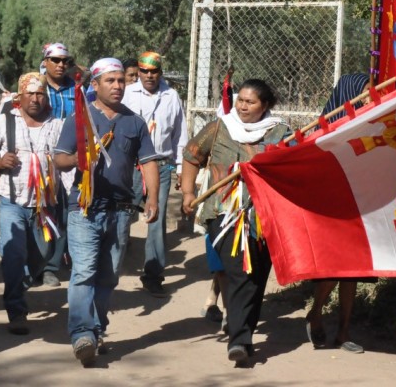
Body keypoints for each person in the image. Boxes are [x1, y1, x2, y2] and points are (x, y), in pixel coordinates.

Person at [54, 57, 160, 366]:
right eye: (110, 81)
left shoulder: (135, 122)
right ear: (96, 85)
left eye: (120, 81)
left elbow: (149, 161)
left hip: (121, 210)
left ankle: (96, 329)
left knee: (109, 276)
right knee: (84, 272)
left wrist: (152, 197)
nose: (117, 86)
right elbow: (59, 159)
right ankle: (81, 333)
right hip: (84, 208)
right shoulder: (79, 118)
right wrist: (80, 160)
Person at [181, 79, 289, 364]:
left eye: (250, 102)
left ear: (264, 106)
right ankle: (239, 339)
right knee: (239, 271)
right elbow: (191, 155)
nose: (242, 106)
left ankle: (245, 331)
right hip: (224, 214)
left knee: (258, 275)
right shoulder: (219, 128)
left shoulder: (281, 132)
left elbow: (292, 167)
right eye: (240, 99)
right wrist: (189, 192)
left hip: (265, 216)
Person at [0, 72, 65, 335]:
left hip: (45, 205)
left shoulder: (57, 124)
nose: (36, 99)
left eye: (41, 94)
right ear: (20, 97)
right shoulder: (5, 122)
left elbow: (69, 156)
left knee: (42, 255)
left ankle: (21, 282)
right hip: (12, 200)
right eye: (31, 94)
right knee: (13, 255)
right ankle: (16, 310)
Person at [305, 73, 370, 354]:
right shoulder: (325, 131)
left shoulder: (374, 121)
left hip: (364, 203)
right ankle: (316, 312)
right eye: (365, 92)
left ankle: (344, 332)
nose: (369, 97)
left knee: (354, 270)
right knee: (334, 267)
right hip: (332, 206)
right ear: (349, 93)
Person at [121, 51, 188, 296]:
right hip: (131, 165)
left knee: (156, 220)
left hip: (160, 165)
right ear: (138, 71)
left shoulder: (171, 96)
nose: (149, 76)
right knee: (121, 217)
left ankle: (153, 276)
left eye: (154, 71)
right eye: (145, 71)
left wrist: (181, 168)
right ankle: (112, 270)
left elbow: (181, 134)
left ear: (160, 72)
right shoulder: (126, 94)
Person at [39, 42, 76, 286]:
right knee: (41, 210)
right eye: (55, 60)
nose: (61, 64)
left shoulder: (77, 90)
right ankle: (37, 261)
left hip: (69, 157)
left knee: (64, 209)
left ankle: (52, 265)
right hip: (40, 155)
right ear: (45, 62)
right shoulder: (36, 87)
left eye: (65, 60)